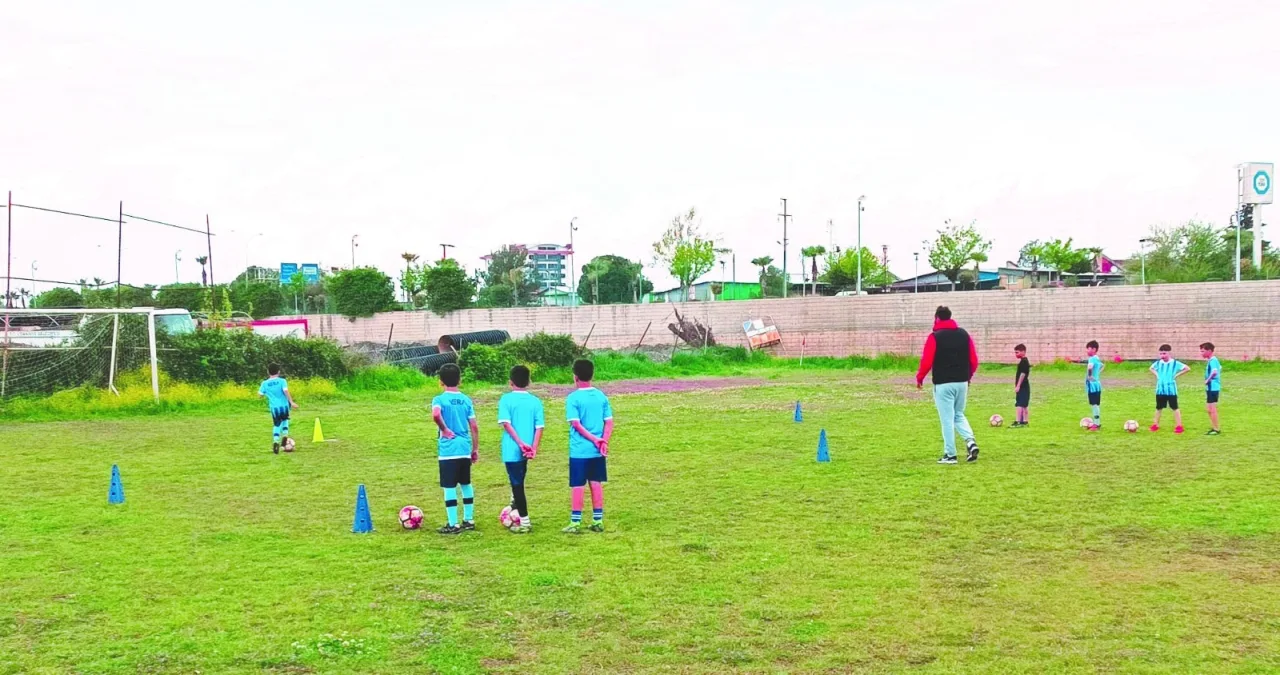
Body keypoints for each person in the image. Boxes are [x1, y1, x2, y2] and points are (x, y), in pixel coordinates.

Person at [915, 306, 981, 464]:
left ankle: (950, 454)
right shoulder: (964, 334)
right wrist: (968, 376)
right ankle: (970, 442)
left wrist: (920, 377)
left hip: (943, 384)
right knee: (958, 414)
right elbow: (974, 360)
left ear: (937, 318)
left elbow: (927, 360)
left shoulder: (935, 337)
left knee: (947, 419)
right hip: (962, 382)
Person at [564, 359, 614, 533]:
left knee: (578, 485)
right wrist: (603, 441)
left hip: (579, 450)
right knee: (596, 483)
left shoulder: (573, 398)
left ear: (575, 377)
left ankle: (575, 522)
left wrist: (594, 440)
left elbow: (576, 424)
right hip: (597, 451)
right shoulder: (601, 396)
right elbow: (609, 423)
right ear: (592, 375)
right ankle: (597, 520)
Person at [431, 364, 479, 534]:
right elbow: (473, 426)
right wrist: (475, 449)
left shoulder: (439, 399)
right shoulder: (466, 400)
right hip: (464, 447)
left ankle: (453, 523)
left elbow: (436, 414)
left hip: (448, 450)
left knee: (449, 486)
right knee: (466, 483)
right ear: (460, 380)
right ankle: (469, 519)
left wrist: (444, 430)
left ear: (440, 382)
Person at [498, 364, 545, 533]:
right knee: (518, 479)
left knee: (517, 484)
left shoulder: (506, 399)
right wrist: (533, 447)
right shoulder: (535, 401)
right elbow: (539, 427)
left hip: (512, 449)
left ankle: (524, 522)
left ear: (511, 382)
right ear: (529, 381)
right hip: (527, 450)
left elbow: (506, 423)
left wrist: (519, 443)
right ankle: (514, 504)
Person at [258, 363, 298, 454]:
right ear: (279, 372)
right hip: (284, 406)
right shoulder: (282, 381)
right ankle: (285, 435)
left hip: (274, 407)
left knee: (276, 424)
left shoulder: (264, 383)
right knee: (285, 420)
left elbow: (260, 395)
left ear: (268, 372)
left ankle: (276, 441)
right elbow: (285, 391)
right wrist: (291, 402)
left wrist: (267, 393)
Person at [1150, 344, 1191, 434]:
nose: (1162, 356)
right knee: (1158, 407)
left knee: (1174, 407)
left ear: (1169, 353)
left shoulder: (1175, 363)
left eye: (1164, 353)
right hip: (1160, 389)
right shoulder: (1158, 363)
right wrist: (1157, 375)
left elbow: (1187, 368)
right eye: (1161, 354)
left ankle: (1179, 426)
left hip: (1171, 390)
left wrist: (1176, 375)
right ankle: (1155, 425)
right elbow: (1151, 368)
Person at [1201, 342, 1222, 435]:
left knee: (1212, 409)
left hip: (1213, 388)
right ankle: (1214, 427)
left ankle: (1216, 429)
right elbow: (1219, 368)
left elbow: (1214, 372)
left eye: (1203, 351)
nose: (1201, 353)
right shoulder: (1212, 361)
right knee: (1209, 409)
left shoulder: (1213, 360)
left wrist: (1208, 380)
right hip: (1211, 388)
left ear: (1209, 351)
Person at [1083, 340, 1104, 430]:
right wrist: (1097, 374)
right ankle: (1097, 423)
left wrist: (1090, 376)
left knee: (1094, 404)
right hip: (1097, 384)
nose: (1087, 351)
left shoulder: (1092, 359)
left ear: (1094, 349)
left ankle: (1096, 424)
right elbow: (1103, 365)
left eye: (1089, 349)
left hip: (1092, 385)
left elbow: (1090, 367)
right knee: (1096, 404)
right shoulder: (1097, 358)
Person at [1012, 344, 1031, 428]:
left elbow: (1022, 374)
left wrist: (1018, 385)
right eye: (1015, 352)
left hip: (1023, 386)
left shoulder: (1024, 362)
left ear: (1023, 351)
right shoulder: (1024, 361)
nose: (1016, 354)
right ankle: (1024, 421)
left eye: (1017, 352)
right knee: (1024, 404)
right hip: (1025, 386)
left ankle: (1018, 421)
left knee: (1019, 404)